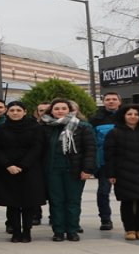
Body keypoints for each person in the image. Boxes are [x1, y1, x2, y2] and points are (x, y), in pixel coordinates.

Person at [103, 105, 139, 241]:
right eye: (129, 114)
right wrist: (111, 174)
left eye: (136, 114)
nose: (133, 117)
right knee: (127, 202)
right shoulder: (114, 133)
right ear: (123, 116)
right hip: (123, 173)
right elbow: (109, 155)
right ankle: (129, 229)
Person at [0, 101, 46, 243]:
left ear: (25, 112)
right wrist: (8, 165)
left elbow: (37, 148)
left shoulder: (35, 128)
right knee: (12, 203)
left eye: (18, 110)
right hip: (7, 170)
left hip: (30, 169)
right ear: (7, 112)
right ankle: (15, 231)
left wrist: (23, 165)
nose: (15, 113)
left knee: (28, 202)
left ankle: (27, 231)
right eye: (12, 110)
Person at [41, 99, 97, 242]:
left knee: (73, 201)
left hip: (74, 170)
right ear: (51, 111)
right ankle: (58, 231)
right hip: (52, 170)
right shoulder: (45, 126)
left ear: (70, 110)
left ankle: (72, 230)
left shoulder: (82, 126)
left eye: (63, 108)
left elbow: (90, 149)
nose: (60, 111)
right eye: (56, 108)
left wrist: (87, 169)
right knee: (56, 201)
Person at [89, 91, 122, 231]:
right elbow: (91, 142)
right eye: (108, 99)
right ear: (103, 102)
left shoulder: (128, 117)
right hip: (104, 163)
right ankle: (105, 219)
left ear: (119, 102)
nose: (111, 101)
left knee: (129, 193)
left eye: (114, 99)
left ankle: (131, 220)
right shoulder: (95, 119)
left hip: (125, 162)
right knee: (103, 192)